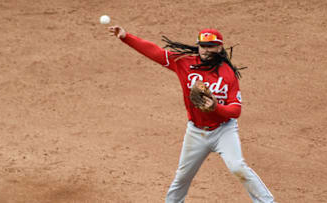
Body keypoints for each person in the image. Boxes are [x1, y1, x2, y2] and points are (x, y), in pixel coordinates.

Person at [108, 25, 275, 203]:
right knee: (182, 177)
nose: (205, 50)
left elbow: (236, 110)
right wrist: (127, 37)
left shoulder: (228, 74)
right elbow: (156, 52)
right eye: (202, 46)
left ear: (219, 48)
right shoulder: (185, 63)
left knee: (238, 168)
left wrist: (215, 108)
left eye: (210, 46)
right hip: (196, 132)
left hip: (223, 130)